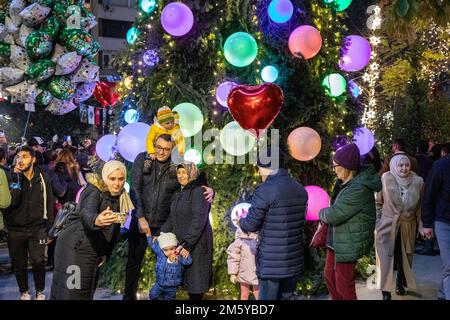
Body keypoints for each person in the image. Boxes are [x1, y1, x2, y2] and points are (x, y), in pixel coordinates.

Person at [123, 134, 214, 300]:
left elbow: (195, 179)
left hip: (164, 223)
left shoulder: (175, 165)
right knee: (134, 263)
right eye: (159, 147)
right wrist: (140, 216)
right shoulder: (143, 159)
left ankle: (165, 295)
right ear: (153, 145)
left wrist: (210, 190)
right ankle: (128, 297)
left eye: (166, 149)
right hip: (141, 220)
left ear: (172, 149)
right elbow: (134, 189)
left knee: (167, 263)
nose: (161, 152)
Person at [50, 160, 134, 300]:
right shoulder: (93, 190)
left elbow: (114, 230)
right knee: (73, 291)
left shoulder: (119, 196)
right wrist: (96, 220)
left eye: (121, 179)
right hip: (75, 249)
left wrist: (104, 253)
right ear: (105, 176)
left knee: (86, 290)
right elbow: (86, 212)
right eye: (112, 179)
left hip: (91, 249)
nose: (117, 183)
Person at [238, 148, 308, 300]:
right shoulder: (300, 189)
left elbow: (251, 225)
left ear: (267, 167)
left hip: (271, 264)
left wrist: (240, 221)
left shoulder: (265, 190)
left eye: (259, 168)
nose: (259, 172)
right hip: (294, 261)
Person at [319, 143, 382, 300]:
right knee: (329, 277)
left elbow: (335, 213)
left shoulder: (358, 188)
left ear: (346, 167)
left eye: (335, 166)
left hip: (348, 242)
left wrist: (321, 212)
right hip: (336, 240)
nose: (333, 170)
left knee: (343, 285)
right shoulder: (343, 183)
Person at [5, 146, 55, 300]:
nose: (20, 160)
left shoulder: (43, 176)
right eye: (18, 156)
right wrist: (16, 178)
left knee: (38, 262)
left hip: (38, 227)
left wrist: (50, 229)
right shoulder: (11, 175)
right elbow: (13, 201)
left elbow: (50, 202)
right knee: (19, 264)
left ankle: (40, 291)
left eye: (25, 156)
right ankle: (24, 292)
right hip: (15, 229)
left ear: (33, 159)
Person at [160, 161, 213, 300]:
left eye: (184, 172)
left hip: (196, 245)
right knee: (189, 284)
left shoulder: (199, 191)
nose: (181, 176)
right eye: (179, 172)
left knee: (196, 287)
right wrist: (161, 234)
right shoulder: (180, 193)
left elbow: (199, 220)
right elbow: (172, 218)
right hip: (183, 245)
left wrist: (188, 244)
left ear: (192, 173)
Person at [375, 155, 424, 300]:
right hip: (388, 224)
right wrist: (378, 222)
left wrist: (420, 225)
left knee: (404, 258)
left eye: (406, 165)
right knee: (386, 258)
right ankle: (386, 291)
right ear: (394, 166)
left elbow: (420, 207)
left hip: (408, 225)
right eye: (400, 165)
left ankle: (400, 284)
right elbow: (378, 202)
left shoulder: (418, 182)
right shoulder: (385, 179)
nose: (404, 168)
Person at [421, 153, 450, 300]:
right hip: (443, 222)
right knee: (449, 264)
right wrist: (426, 223)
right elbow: (429, 195)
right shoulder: (441, 165)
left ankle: (443, 293)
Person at [148, 232, 192, 300]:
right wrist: (152, 237)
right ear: (162, 249)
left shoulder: (178, 256)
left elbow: (188, 262)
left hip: (172, 287)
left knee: (169, 298)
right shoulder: (160, 253)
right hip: (159, 283)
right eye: (166, 250)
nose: (169, 252)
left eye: (171, 249)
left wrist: (184, 254)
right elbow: (152, 243)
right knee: (153, 295)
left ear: (175, 247)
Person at [227, 227, 259, 300]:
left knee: (257, 293)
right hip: (243, 272)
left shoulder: (259, 239)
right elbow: (233, 256)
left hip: (257, 272)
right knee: (244, 293)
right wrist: (233, 273)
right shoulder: (240, 240)